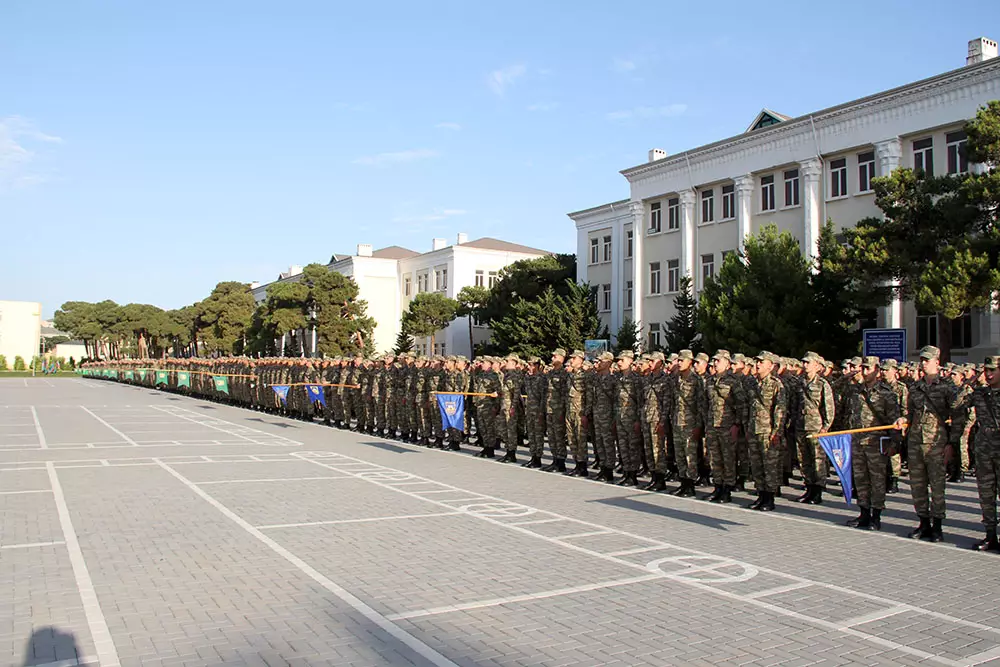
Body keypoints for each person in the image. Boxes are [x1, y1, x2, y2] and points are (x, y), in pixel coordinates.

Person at [905, 345, 963, 542]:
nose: (923, 363)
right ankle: (923, 523)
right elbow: (910, 413)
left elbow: (957, 417)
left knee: (937, 486)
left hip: (936, 443)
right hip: (915, 442)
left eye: (927, 360)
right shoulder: (915, 387)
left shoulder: (947, 387)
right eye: (921, 360)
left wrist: (951, 444)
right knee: (917, 485)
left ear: (937, 362)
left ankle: (937, 525)